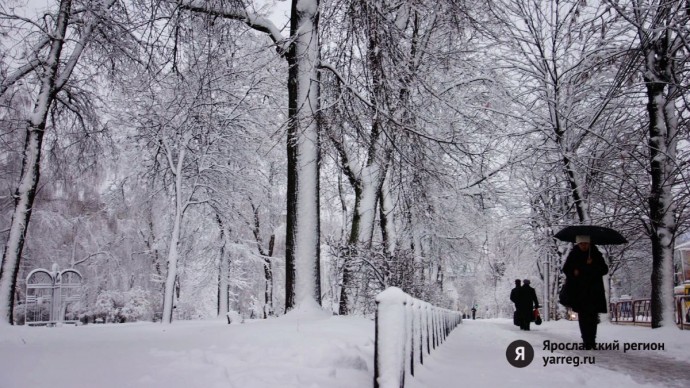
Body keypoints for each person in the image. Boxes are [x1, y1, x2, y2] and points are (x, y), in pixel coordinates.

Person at [562, 235, 609, 350]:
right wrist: (574, 271)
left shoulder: (595, 254)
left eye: (586, 244)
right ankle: (586, 340)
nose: (584, 246)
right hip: (579, 291)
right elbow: (566, 269)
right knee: (583, 316)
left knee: (593, 316)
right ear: (578, 244)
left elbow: (604, 269)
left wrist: (592, 265)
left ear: (589, 244)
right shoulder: (573, 254)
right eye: (581, 244)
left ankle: (592, 340)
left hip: (594, 291)